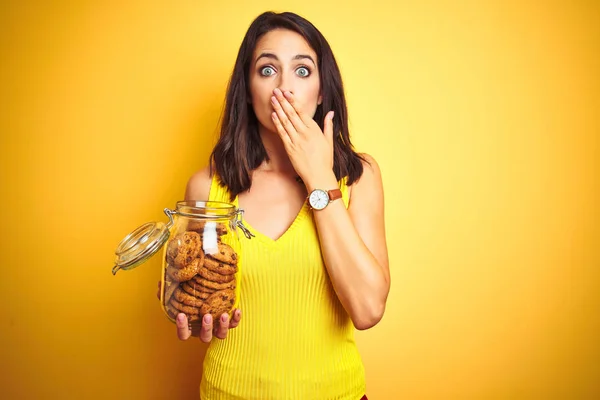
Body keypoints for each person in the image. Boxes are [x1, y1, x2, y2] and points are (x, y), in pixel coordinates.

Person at [169, 11, 390, 400]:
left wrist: (319, 179)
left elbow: (368, 309)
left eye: (302, 71)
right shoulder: (207, 187)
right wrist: (187, 310)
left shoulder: (358, 177)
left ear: (322, 91)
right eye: (267, 70)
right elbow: (198, 296)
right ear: (248, 88)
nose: (284, 87)